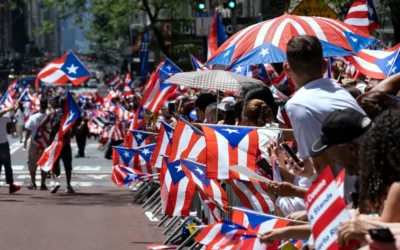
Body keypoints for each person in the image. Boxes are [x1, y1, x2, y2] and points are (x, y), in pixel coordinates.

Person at [283, 35, 365, 177]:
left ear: (286, 68)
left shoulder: (298, 104)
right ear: (324, 65)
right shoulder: (339, 90)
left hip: (354, 192)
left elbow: (323, 168)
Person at [41, 96, 75, 194]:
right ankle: (68, 185)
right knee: (68, 165)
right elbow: (74, 129)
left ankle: (56, 182)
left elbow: (42, 125)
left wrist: (50, 131)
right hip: (66, 143)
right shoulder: (68, 115)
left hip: (55, 143)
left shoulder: (52, 114)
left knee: (54, 164)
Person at [24, 98, 49, 190]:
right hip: (45, 144)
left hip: (34, 144)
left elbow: (28, 130)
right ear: (46, 106)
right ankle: (43, 183)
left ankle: (33, 182)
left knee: (32, 164)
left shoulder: (33, 117)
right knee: (44, 164)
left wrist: (25, 141)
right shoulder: (49, 117)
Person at [0, 105, 20, 193]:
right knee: (6, 164)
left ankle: (11, 185)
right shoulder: (5, 113)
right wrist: (8, 110)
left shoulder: (6, 115)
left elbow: (10, 127)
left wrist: (12, 114)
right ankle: (11, 185)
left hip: (4, 141)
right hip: (3, 143)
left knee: (7, 165)